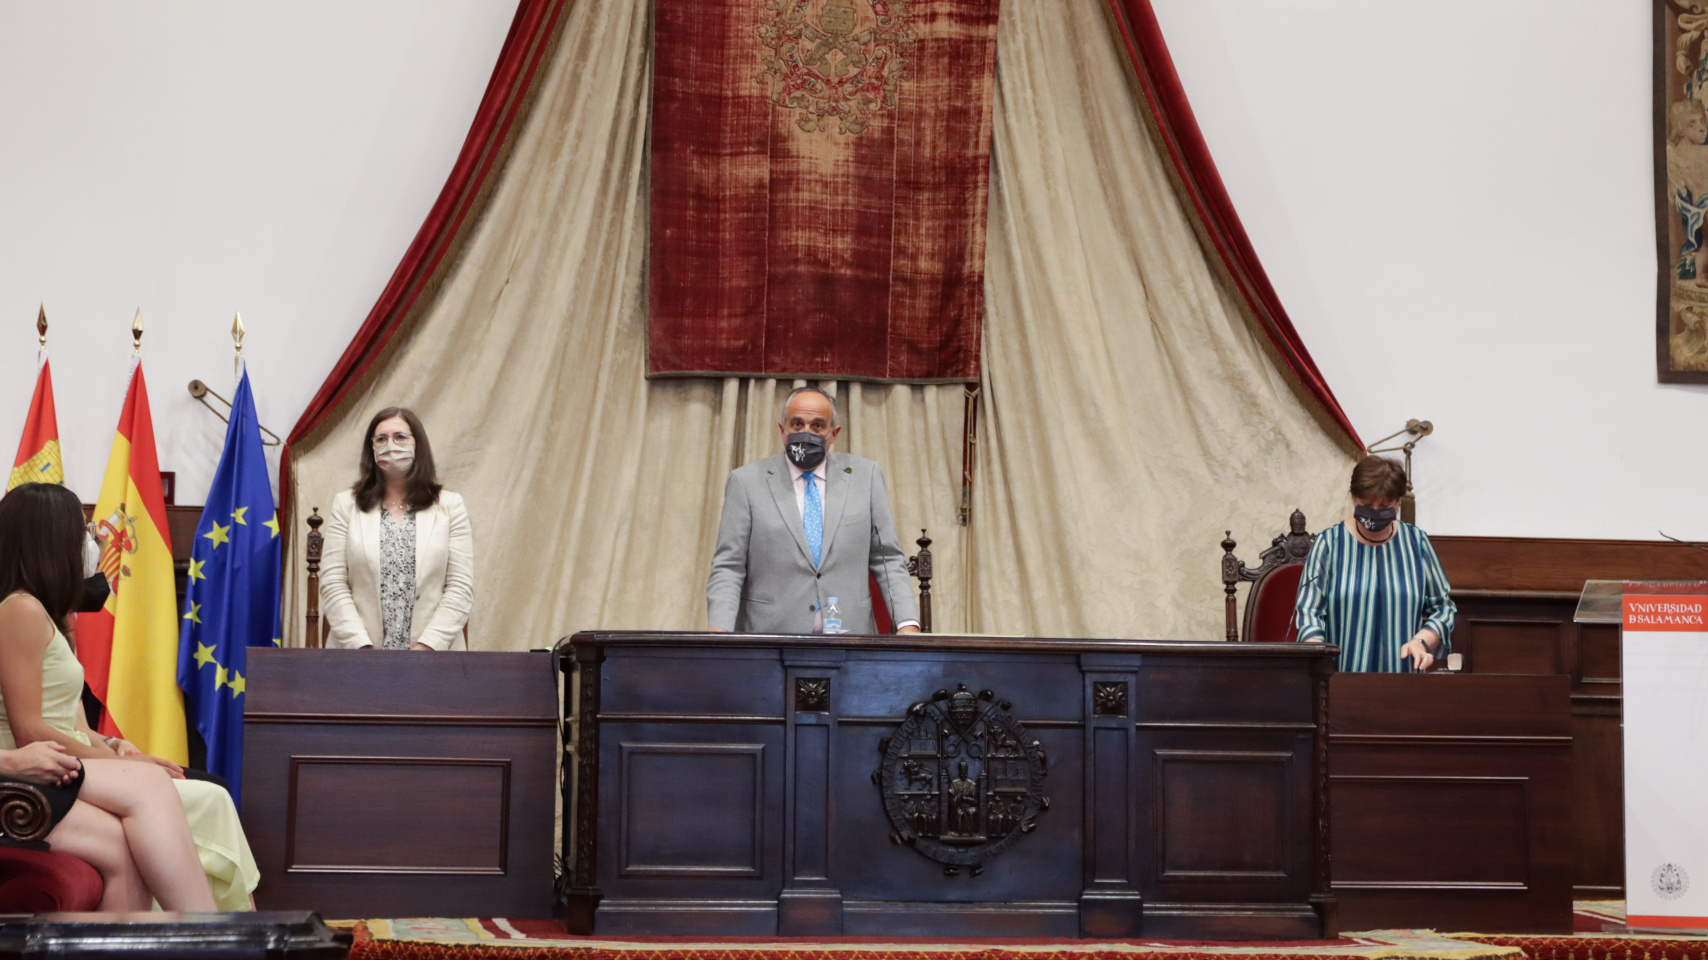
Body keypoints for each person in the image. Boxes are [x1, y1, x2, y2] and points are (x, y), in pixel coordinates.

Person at [0, 483, 239, 911]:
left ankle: (196, 927)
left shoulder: (47, 614)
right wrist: (127, 764)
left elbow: (69, 720)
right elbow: (30, 732)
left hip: (60, 761)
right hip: (28, 769)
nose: (92, 543)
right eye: (83, 532)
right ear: (50, 541)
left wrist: (114, 747)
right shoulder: (20, 609)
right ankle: (204, 927)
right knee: (151, 784)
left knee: (153, 811)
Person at [707, 387, 920, 634]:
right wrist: (719, 630)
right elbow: (729, 566)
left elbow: (887, 558)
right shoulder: (745, 482)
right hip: (770, 637)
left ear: (833, 434)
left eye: (817, 426)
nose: (806, 433)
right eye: (797, 424)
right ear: (783, 429)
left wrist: (907, 624)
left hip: (850, 637)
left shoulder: (866, 476)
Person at [320, 407, 473, 650]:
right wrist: (362, 648)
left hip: (434, 658)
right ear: (371, 448)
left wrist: (425, 648)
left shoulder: (450, 506)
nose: (390, 445)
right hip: (358, 657)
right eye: (381, 439)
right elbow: (333, 584)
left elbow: (460, 587)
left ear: (417, 444)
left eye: (400, 437)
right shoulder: (346, 505)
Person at [1292, 455, 1455, 672]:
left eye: (1384, 506)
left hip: (1403, 676)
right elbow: (1308, 611)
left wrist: (1421, 642)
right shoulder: (1329, 543)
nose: (1375, 511)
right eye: (1367, 505)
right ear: (1353, 499)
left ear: (1398, 502)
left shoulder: (1417, 543)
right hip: (1341, 677)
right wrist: (1317, 654)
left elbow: (1443, 608)